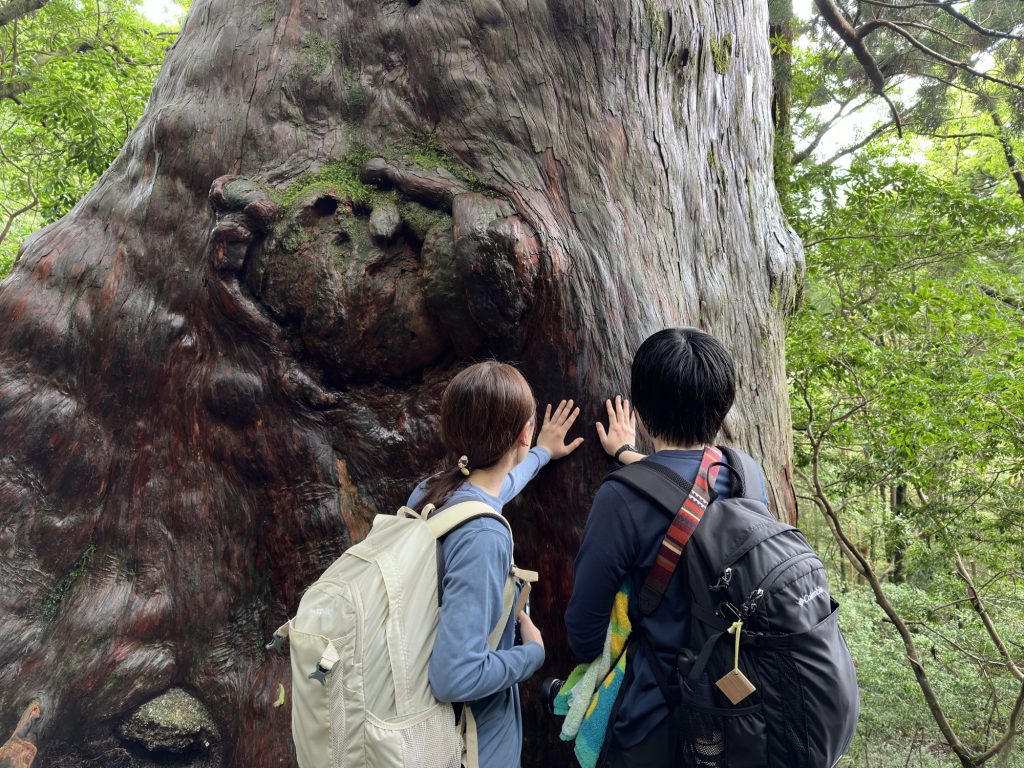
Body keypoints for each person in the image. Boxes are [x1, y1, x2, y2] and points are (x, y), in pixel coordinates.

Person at [565, 327, 769, 768]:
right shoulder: (748, 476)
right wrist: (628, 455)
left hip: (655, 725)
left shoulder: (621, 499)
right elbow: (690, 489)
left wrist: (626, 460)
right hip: (740, 714)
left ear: (639, 411)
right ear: (723, 405)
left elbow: (584, 630)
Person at [407, 360, 584, 768]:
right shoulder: (484, 536)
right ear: (523, 433)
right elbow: (455, 676)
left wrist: (541, 454)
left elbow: (496, 486)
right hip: (472, 746)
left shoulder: (431, 492)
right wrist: (532, 655)